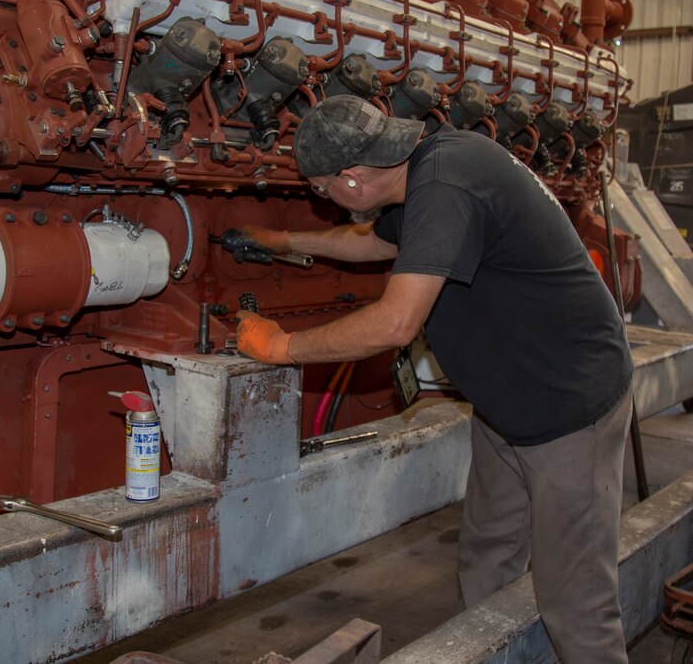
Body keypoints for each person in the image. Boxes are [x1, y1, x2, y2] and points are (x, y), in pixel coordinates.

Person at [235, 94, 634, 663]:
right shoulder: (421, 166)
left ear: (351, 179)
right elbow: (378, 240)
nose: (324, 202)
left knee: (576, 603)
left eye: (322, 190)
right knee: (488, 558)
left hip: (568, 406)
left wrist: (281, 346)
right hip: (508, 405)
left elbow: (396, 324)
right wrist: (285, 242)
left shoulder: (446, 186)